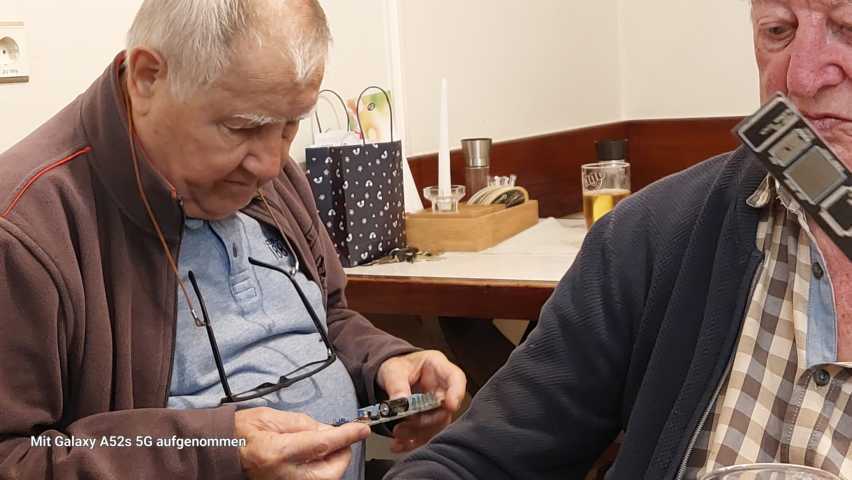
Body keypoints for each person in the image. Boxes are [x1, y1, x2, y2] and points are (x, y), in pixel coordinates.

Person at [386, 1, 852, 479]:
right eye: (777, 30)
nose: (800, 78)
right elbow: (475, 462)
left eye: (848, 28)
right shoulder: (654, 232)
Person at [0, 1, 466, 479]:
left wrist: (383, 362)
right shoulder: (24, 230)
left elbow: (328, 317)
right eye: (242, 127)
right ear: (147, 77)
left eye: (291, 125)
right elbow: (12, 457)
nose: (271, 164)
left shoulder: (264, 174)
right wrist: (218, 450)